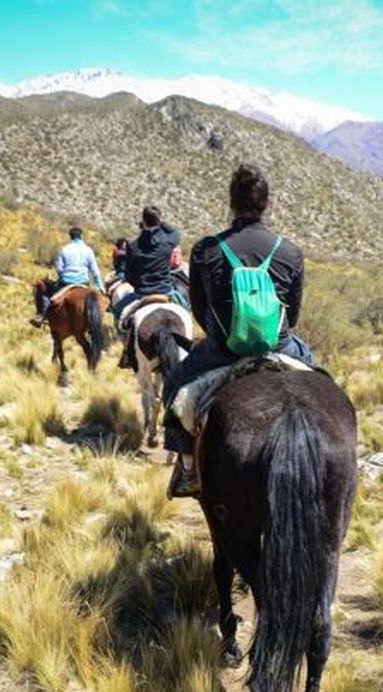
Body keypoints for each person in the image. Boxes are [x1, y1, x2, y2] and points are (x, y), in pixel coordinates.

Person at [162, 163, 314, 497]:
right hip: (279, 346)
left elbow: (199, 310)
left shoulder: (206, 250)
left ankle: (188, 469)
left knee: (174, 386)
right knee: (322, 380)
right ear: (266, 204)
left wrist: (225, 334)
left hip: (223, 349)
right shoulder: (289, 252)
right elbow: (295, 312)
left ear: (231, 203)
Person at [115, 206, 180, 368]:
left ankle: (127, 350)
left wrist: (139, 284)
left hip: (142, 294)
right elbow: (176, 233)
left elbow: (129, 276)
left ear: (143, 222)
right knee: (186, 309)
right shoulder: (168, 241)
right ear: (158, 221)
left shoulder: (133, 246)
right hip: (166, 291)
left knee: (117, 311)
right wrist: (160, 222)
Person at [31, 227, 104, 327]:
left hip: (66, 282)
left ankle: (44, 316)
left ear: (70, 237)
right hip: (83, 282)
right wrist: (99, 286)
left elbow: (59, 268)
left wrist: (62, 275)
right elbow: (95, 270)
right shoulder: (88, 250)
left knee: (48, 295)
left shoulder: (64, 249)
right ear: (81, 236)